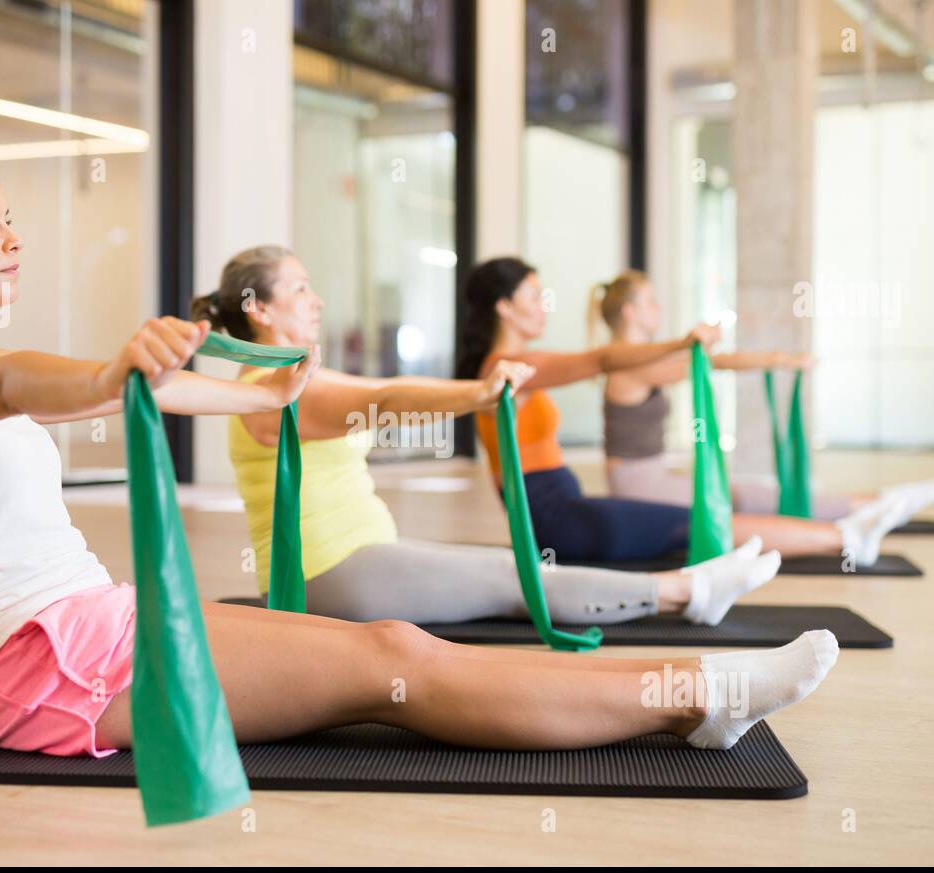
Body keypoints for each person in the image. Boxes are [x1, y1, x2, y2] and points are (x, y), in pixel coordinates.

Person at [0, 151, 837, 764]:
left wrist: (237, 371)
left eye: (10, 219)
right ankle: (705, 689)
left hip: (90, 626)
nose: (12, 239)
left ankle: (697, 689)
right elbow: (22, 388)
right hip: (36, 668)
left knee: (398, 651)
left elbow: (188, 392)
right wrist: (113, 365)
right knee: (393, 660)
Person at [207, 245, 782, 631]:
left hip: (359, 557)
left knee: (505, 567)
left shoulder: (295, 376)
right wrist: (477, 394)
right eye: (301, 288)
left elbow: (387, 387)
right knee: (512, 576)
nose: (318, 300)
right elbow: (384, 402)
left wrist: (469, 391)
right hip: (328, 573)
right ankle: (686, 592)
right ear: (257, 308)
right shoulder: (269, 391)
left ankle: (689, 586)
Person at [459, 257, 915, 568]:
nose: (543, 307)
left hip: (567, 508)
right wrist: (683, 342)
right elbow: (602, 359)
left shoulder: (517, 367)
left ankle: (851, 526)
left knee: (711, 512)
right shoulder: (510, 367)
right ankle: (847, 537)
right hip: (554, 520)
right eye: (535, 296)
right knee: (703, 520)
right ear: (504, 307)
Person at [594, 270, 934, 521]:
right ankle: (874, 503)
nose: (658, 308)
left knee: (751, 486)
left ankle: (868, 501)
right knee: (750, 497)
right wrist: (778, 359)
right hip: (637, 485)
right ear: (630, 311)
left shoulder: (636, 357)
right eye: (650, 301)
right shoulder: (630, 363)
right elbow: (712, 364)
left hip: (647, 476)